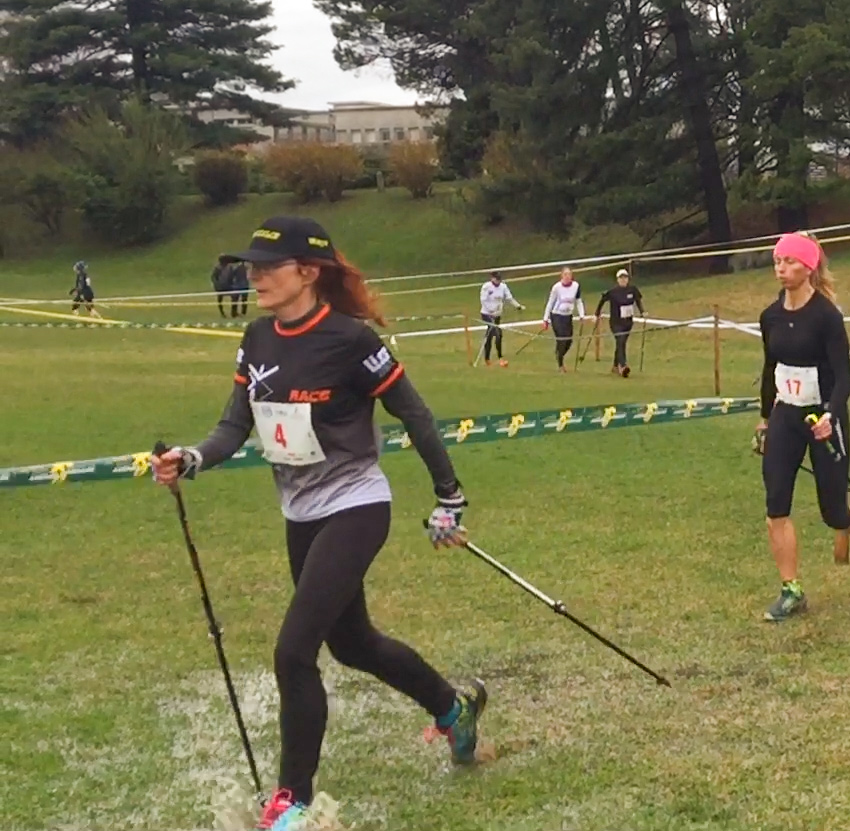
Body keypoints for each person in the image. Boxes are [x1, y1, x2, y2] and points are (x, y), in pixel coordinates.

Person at [148, 216, 488, 831]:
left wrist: (449, 495)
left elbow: (415, 414)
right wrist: (192, 458)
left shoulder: (351, 339)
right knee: (353, 644)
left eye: (266, 267)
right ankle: (451, 708)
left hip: (356, 504)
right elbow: (235, 424)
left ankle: (293, 803)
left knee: (293, 650)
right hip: (300, 512)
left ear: (308, 273)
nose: (253, 276)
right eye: (250, 266)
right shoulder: (255, 338)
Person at [754, 231, 850, 622]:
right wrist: (765, 419)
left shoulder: (826, 316)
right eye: (777, 262)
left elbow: (844, 378)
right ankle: (791, 590)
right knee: (775, 505)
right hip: (786, 416)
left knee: (833, 513)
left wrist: (831, 415)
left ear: (809, 266)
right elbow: (770, 370)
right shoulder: (770, 316)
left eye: (790, 261)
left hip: (824, 418)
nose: (782, 268)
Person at [594, 267, 645, 376]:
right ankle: (623, 366)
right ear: (617, 280)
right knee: (620, 341)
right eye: (621, 278)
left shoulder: (632, 290)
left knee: (621, 343)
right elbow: (602, 300)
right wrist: (597, 313)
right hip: (616, 323)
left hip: (627, 322)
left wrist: (642, 312)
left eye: (625, 278)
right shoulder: (613, 292)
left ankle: (615, 366)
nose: (623, 280)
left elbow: (638, 301)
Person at [541, 266, 585, 373]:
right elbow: (550, 302)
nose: (567, 277)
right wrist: (545, 319)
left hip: (568, 316)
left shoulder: (576, 286)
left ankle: (559, 354)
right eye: (565, 274)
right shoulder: (556, 287)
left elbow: (578, 301)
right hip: (557, 315)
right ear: (561, 276)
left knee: (569, 341)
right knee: (562, 339)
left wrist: (582, 315)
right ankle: (561, 365)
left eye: (569, 274)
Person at [478, 270, 525, 367]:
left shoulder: (503, 287)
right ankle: (499, 359)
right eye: (496, 279)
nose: (498, 281)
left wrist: (518, 306)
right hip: (487, 314)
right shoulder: (486, 287)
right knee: (497, 334)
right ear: (492, 278)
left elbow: (509, 298)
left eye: (499, 279)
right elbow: (483, 300)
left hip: (497, 314)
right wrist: (491, 311)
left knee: (491, 335)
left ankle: (488, 358)